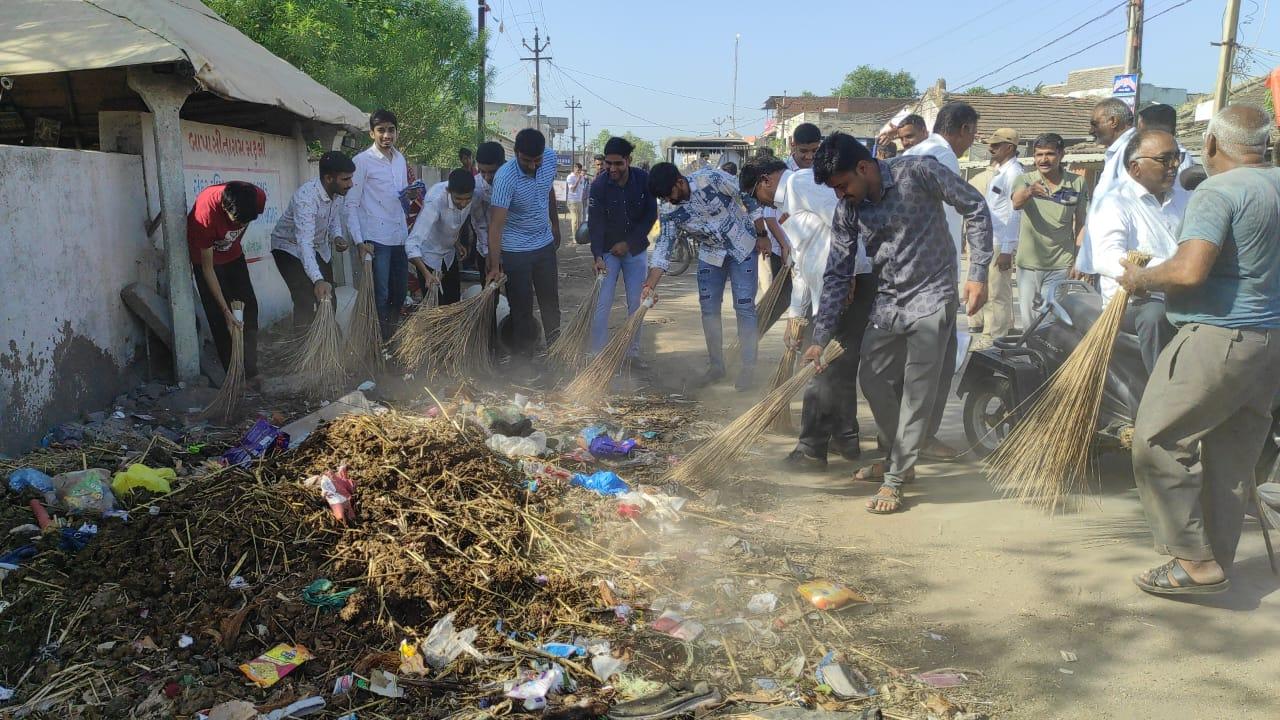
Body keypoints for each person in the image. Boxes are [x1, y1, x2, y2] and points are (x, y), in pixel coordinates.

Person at [1118, 105, 1280, 597]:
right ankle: (1214, 559)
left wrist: (1140, 278)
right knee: (1232, 454)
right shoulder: (1274, 184)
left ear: (1211, 144)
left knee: (1158, 439)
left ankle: (1193, 559)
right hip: (1267, 344)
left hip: (1219, 337)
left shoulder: (1219, 189)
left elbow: (1189, 271)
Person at [804, 133, 992, 515]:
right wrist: (820, 337)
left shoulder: (919, 172)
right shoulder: (849, 210)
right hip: (888, 302)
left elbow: (974, 205)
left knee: (916, 392)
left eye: (842, 186)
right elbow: (838, 273)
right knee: (872, 379)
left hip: (932, 297)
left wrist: (978, 272)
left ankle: (896, 477)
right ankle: (895, 454)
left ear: (863, 167)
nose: (840, 196)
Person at [775, 166, 874, 469]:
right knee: (841, 365)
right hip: (840, 288)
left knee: (822, 369)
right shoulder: (800, 216)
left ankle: (811, 449)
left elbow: (847, 228)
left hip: (848, 284)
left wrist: (852, 273)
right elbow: (801, 269)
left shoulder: (801, 185)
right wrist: (796, 316)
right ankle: (846, 438)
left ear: (767, 182)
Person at [644, 162, 767, 390]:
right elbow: (663, 248)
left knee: (744, 306)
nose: (668, 201)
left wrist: (762, 233)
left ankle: (749, 368)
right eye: (663, 198)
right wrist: (650, 285)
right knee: (709, 310)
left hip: (743, 246)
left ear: (680, 182)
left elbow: (746, 196)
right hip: (711, 255)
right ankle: (716, 367)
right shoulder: (669, 211)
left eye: (670, 195)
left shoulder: (710, 178)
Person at [903, 101, 978, 461]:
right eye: (973, 133)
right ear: (963, 129)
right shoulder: (942, 159)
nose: (972, 140)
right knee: (938, 360)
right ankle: (923, 437)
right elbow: (951, 221)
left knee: (912, 362)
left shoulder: (913, 153)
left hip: (904, 272)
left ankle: (903, 437)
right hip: (934, 274)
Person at [1086, 129, 1185, 373]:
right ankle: (1161, 394)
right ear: (1135, 167)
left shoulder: (1185, 197)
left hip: (1183, 292)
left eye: (1176, 158)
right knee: (1156, 316)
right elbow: (1106, 258)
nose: (1173, 165)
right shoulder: (1114, 202)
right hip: (1135, 301)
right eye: (1164, 159)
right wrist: (1169, 272)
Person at [486, 128, 563, 361]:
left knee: (551, 304)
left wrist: (555, 224)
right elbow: (496, 226)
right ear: (516, 153)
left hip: (544, 245)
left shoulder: (549, 158)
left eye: (536, 160)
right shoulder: (505, 178)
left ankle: (557, 354)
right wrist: (494, 266)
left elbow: (548, 190)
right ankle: (523, 363)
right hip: (516, 251)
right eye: (526, 161)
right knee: (521, 309)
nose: (532, 165)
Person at [588, 136, 658, 365]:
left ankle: (632, 353)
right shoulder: (598, 186)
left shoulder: (644, 181)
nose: (613, 168)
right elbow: (595, 223)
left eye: (618, 163)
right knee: (602, 302)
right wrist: (597, 255)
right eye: (609, 163)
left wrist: (628, 243)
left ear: (629, 160)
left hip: (635, 250)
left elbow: (650, 216)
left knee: (636, 303)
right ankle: (598, 354)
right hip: (607, 252)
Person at [188, 180, 267, 384]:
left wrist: (233, 241)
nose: (239, 226)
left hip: (233, 256)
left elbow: (245, 222)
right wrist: (225, 311)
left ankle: (251, 371)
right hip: (206, 259)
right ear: (224, 207)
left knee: (249, 308)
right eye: (236, 221)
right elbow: (207, 268)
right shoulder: (204, 215)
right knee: (222, 321)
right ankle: (234, 378)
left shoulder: (256, 197)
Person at [1011, 133, 1089, 329]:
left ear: (1061, 154)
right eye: (1039, 155)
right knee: (1029, 323)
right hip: (1028, 265)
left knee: (1049, 321)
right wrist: (1030, 192)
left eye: (1050, 154)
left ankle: (1047, 360)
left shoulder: (1078, 183)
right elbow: (1016, 203)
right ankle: (1032, 359)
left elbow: (1081, 224)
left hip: (1060, 264)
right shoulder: (1025, 180)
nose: (1043, 159)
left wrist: (1079, 260)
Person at [347, 109, 412, 341]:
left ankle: (391, 337)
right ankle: (378, 343)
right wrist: (359, 241)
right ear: (371, 133)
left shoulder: (400, 159)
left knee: (399, 292)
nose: (387, 135)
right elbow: (351, 205)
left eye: (391, 130)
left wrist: (410, 198)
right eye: (381, 130)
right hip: (375, 239)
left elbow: (401, 197)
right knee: (380, 294)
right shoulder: (362, 162)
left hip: (399, 236)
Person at [270, 151, 354, 330]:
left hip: (317, 247)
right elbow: (304, 244)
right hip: (289, 248)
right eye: (346, 179)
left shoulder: (337, 193)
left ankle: (327, 340)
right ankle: (303, 347)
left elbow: (333, 218)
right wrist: (317, 280)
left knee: (329, 297)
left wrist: (336, 236)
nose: (351, 184)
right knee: (305, 299)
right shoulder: (306, 199)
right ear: (329, 178)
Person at [1074, 99, 1135, 279]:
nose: (1091, 131)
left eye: (1095, 124)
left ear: (1113, 121)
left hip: (1122, 259)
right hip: (1109, 258)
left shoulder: (1132, 151)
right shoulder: (1117, 152)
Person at [973, 128, 1022, 339]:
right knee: (987, 291)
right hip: (989, 239)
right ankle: (989, 334)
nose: (990, 148)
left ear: (1009, 148)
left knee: (998, 295)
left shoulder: (1014, 173)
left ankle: (998, 340)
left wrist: (1007, 250)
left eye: (996, 145)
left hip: (1001, 242)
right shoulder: (1000, 171)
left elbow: (1015, 213)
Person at [407, 169, 481, 306]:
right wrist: (426, 274)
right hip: (428, 257)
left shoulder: (473, 194)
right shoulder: (435, 201)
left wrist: (456, 242)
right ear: (448, 191)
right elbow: (411, 244)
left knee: (453, 303)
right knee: (434, 308)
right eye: (458, 199)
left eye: (467, 199)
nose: (463, 204)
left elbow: (454, 222)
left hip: (449, 255)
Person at [739, 160, 794, 333]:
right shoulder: (781, 197)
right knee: (783, 298)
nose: (759, 204)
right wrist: (785, 246)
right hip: (787, 253)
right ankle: (751, 339)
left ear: (766, 180)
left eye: (756, 196)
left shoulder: (798, 189)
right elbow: (770, 216)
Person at [470, 141, 504, 278]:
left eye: (492, 172)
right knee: (489, 293)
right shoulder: (476, 188)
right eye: (483, 172)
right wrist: (489, 254)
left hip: (512, 247)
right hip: (485, 247)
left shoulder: (512, 182)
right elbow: (480, 224)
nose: (487, 177)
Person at [566, 162, 587, 238]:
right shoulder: (570, 177)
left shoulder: (582, 177)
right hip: (572, 201)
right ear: (574, 169)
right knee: (574, 220)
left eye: (580, 170)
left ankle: (578, 236)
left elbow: (582, 189)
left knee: (579, 220)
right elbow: (573, 189)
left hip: (579, 201)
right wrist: (578, 179)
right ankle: (574, 237)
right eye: (577, 170)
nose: (579, 172)